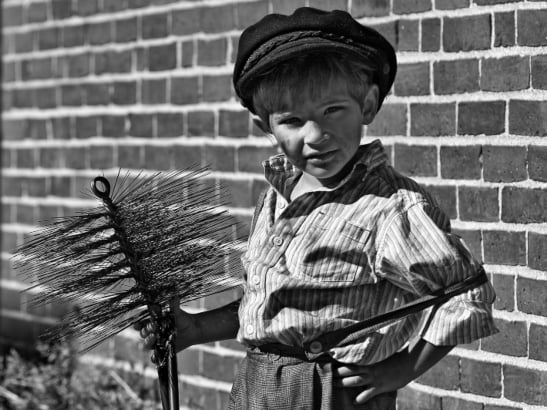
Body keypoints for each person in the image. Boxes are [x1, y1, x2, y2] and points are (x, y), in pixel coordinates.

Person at [136, 7, 497, 409]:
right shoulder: (276, 198)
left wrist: (401, 369)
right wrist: (194, 328)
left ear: (368, 105)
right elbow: (275, 305)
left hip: (330, 393)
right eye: (292, 120)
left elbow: (466, 292)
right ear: (265, 126)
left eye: (332, 111)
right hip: (259, 389)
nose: (316, 136)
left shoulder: (389, 208)